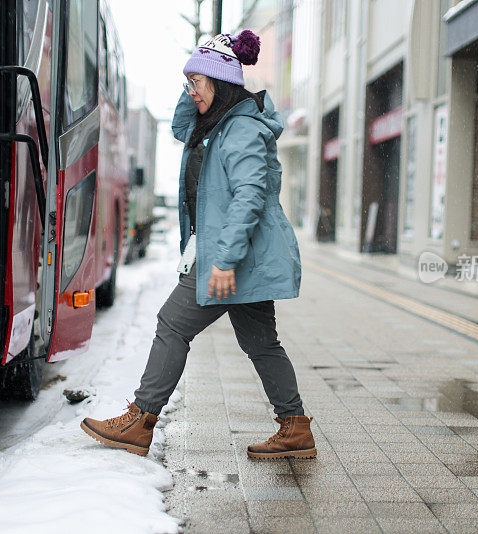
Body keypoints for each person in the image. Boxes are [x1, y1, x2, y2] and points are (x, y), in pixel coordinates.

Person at [80, 30, 315, 460]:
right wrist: (197, 71)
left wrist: (223, 261)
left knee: (172, 324)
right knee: (262, 343)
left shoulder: (241, 129)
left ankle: (141, 419)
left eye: (197, 85)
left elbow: (249, 196)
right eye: (188, 84)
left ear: (221, 83)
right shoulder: (216, 126)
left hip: (233, 256)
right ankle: (295, 426)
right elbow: (180, 125)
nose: (191, 93)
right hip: (237, 255)